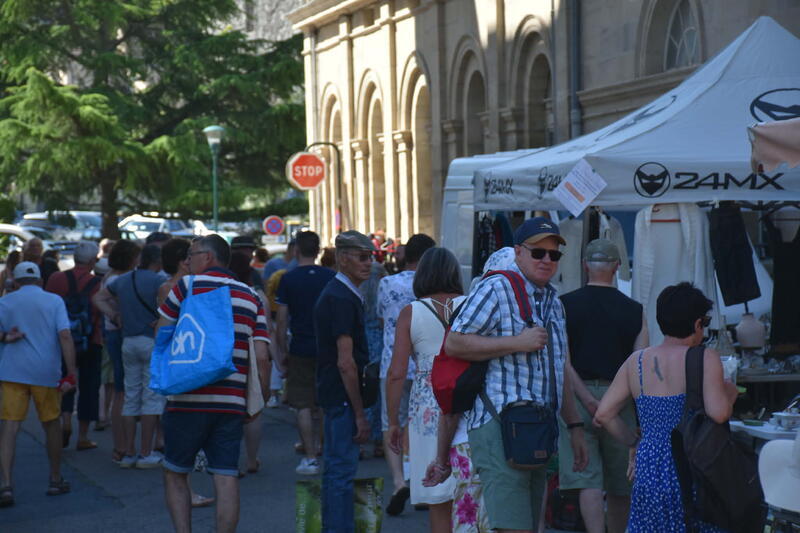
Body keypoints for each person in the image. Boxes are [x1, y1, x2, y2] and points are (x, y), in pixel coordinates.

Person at [445, 217, 588, 533]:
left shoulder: (553, 300)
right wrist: (516, 343)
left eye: (554, 254)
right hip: (500, 425)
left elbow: (557, 369)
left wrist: (575, 426)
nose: (547, 260)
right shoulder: (496, 287)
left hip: (537, 429)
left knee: (527, 526)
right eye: (539, 253)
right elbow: (454, 342)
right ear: (518, 252)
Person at [594, 282, 737, 533]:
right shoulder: (704, 357)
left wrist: (634, 444)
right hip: (692, 463)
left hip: (649, 464)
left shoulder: (636, 361)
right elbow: (719, 412)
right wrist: (730, 394)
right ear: (696, 324)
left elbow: (604, 414)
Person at [157, 235, 269, 533]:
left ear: (207, 257)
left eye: (191, 254)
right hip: (231, 401)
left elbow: (163, 335)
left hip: (185, 398)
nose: (187, 260)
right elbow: (261, 355)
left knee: (175, 472)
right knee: (226, 475)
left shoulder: (186, 287)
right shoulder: (251, 296)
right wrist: (260, 400)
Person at [423, 248, 517, 533]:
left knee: (471, 520)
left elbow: (451, 399)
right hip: (522, 436)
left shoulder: (468, 322)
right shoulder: (533, 318)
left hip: (471, 439)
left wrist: (441, 459)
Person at [558, 239, 649, 533]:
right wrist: (614, 401)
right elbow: (639, 365)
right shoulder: (635, 310)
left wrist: (588, 400)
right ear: (617, 267)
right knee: (621, 482)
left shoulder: (565, 304)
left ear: (585, 266)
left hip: (576, 398)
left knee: (588, 479)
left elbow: (563, 361)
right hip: (620, 402)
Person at [387, 247, 465, 532]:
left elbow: (396, 373)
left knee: (438, 497)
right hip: (467, 400)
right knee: (469, 492)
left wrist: (393, 422)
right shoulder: (471, 304)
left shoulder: (412, 312)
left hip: (428, 408)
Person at [313, 230, 375, 533]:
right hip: (342, 396)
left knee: (335, 471)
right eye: (363, 257)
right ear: (343, 258)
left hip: (335, 394)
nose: (369, 264)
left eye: (371, 257)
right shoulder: (340, 297)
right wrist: (360, 412)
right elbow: (345, 362)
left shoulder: (342, 293)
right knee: (341, 472)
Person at [0, 262, 77, 506]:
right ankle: (55, 479)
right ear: (40, 280)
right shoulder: (54, 301)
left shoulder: (5, 302)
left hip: (13, 371)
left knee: (10, 427)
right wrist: (71, 372)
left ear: (16, 281)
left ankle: (6, 485)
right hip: (45, 371)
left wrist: (5, 337)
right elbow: (64, 335)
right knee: (51, 424)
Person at [377, 233, 436, 515]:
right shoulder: (430, 287)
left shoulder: (386, 283)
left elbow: (380, 320)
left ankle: (399, 481)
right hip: (425, 365)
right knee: (422, 425)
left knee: (392, 423)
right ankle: (421, 486)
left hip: (392, 363)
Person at [94, 244, 166, 468]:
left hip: (128, 341)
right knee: (151, 399)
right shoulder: (158, 281)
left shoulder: (121, 281)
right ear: (157, 261)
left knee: (130, 395)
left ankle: (128, 452)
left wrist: (114, 315)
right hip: (149, 340)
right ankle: (146, 452)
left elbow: (98, 298)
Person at [275, 230, 336, 475]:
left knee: (302, 402)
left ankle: (310, 456)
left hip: (300, 345)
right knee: (323, 401)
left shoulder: (288, 279)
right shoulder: (330, 277)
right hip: (326, 346)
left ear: (296, 250)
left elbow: (281, 320)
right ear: (319, 250)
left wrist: (281, 349)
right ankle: (321, 445)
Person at [45, 240, 103, 451]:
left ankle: (66, 421)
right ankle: (83, 436)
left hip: (61, 339)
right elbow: (100, 311)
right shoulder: (96, 283)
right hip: (91, 340)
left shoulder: (56, 278)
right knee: (89, 387)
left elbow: (48, 307)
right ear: (92, 260)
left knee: (65, 380)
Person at [96, 239, 141, 464]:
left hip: (112, 334)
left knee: (120, 390)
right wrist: (116, 315)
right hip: (118, 334)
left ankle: (121, 444)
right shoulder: (119, 279)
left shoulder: (110, 275)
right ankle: (121, 445)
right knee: (121, 391)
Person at [360, 259, 388, 458]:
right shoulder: (383, 295)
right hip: (380, 343)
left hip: (361, 343)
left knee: (361, 391)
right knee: (379, 393)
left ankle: (360, 441)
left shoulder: (355, 296)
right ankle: (379, 441)